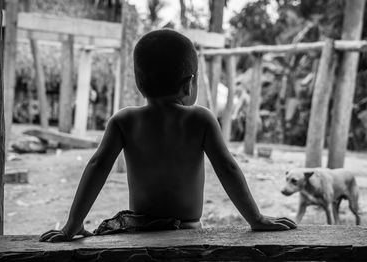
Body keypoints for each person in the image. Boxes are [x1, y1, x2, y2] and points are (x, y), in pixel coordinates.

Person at [40, 29, 296, 242]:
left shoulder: (124, 120)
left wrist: (73, 223)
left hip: (138, 233)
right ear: (189, 84)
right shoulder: (201, 119)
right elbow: (227, 168)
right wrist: (256, 219)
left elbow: (97, 166)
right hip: (186, 232)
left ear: (139, 84)